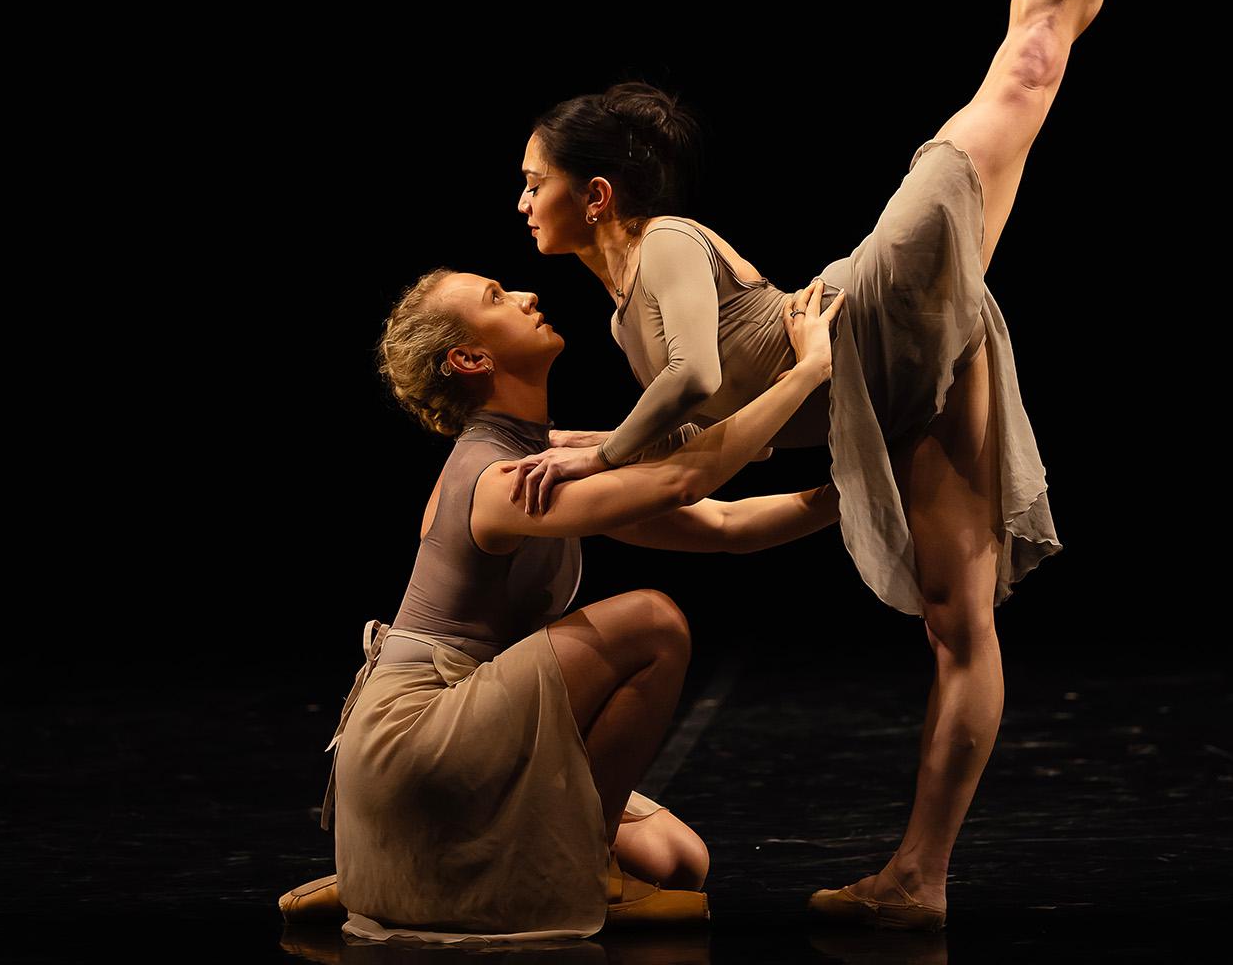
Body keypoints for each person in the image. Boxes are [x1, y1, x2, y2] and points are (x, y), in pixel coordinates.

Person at [505, 0, 1232, 930]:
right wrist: (582, 449)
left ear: (598, 196)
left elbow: (693, 388)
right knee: (960, 624)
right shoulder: (626, 321)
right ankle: (919, 877)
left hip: (874, 301)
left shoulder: (667, 246)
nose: (519, 200)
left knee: (1028, 61)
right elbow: (700, 470)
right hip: (885, 394)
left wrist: (598, 451)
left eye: (533, 180)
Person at [277, 271, 845, 945]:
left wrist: (855, 489)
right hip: (418, 737)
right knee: (653, 622)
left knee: (680, 860)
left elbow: (724, 524)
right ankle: (558, 866)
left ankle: (406, 868)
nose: (527, 296)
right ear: (471, 358)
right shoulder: (499, 479)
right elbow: (684, 478)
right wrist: (809, 369)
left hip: (474, 729)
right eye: (496, 298)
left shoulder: (542, 459)